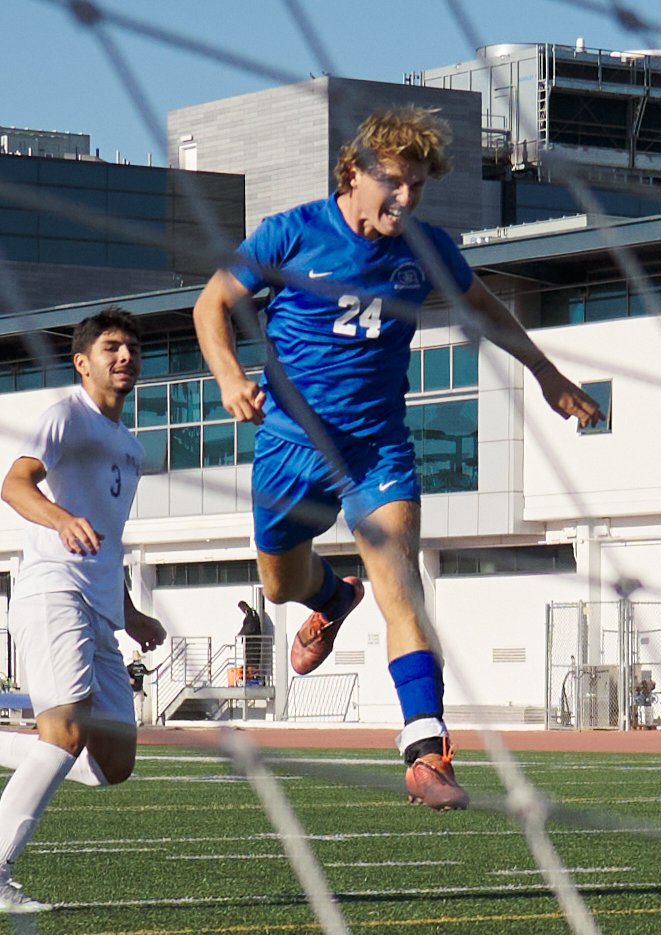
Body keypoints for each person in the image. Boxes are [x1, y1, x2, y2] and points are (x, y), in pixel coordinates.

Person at [194, 107, 601, 810]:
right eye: (395, 184)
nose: (406, 201)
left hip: (376, 448)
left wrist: (546, 373)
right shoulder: (290, 233)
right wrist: (229, 376)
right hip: (290, 448)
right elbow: (211, 303)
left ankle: (425, 748)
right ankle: (328, 597)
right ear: (352, 173)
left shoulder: (428, 247)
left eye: (418, 187)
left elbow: (484, 308)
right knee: (280, 586)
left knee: (402, 587)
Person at [0, 307, 166, 913]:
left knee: (112, 764)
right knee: (65, 733)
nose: (125, 356)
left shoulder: (130, 448)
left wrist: (129, 611)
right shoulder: (65, 416)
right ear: (83, 363)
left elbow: (107, 534)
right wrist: (60, 519)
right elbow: (15, 484)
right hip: (51, 591)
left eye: (131, 347)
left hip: (100, 610)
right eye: (111, 347)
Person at [236, 599, 263, 683]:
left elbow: (250, 627)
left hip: (253, 644)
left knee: (252, 662)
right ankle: (252, 678)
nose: (242, 610)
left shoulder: (251, 615)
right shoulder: (251, 614)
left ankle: (254, 679)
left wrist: (241, 633)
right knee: (250, 662)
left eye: (242, 608)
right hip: (251, 644)